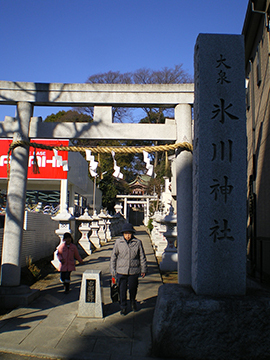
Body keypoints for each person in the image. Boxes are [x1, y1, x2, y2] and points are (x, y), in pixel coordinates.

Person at [110, 223, 147, 315]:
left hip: (133, 270)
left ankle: (133, 301)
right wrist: (113, 270)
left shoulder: (137, 242)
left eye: (129, 233)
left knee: (133, 288)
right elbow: (113, 257)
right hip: (121, 270)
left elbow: (142, 256)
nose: (127, 236)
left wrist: (143, 269)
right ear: (123, 234)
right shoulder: (118, 242)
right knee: (122, 290)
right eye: (125, 233)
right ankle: (123, 306)